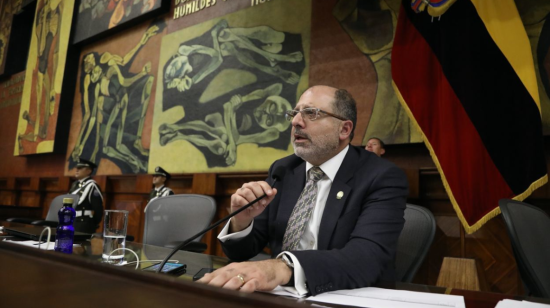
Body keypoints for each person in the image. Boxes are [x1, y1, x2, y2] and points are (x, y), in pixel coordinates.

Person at [198, 85, 408, 296]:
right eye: (295, 113)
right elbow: (242, 251)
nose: (295, 122)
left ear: (344, 129)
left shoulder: (381, 176)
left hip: (347, 295)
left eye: (311, 113)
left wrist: (284, 268)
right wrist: (241, 221)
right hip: (283, 296)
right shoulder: (284, 170)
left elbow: (367, 258)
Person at [69, 158, 104, 234]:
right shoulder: (75, 185)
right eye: (77, 168)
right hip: (71, 221)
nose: (77, 170)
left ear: (89, 171)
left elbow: (98, 209)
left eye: (80, 168)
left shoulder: (92, 186)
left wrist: (93, 223)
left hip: (83, 224)